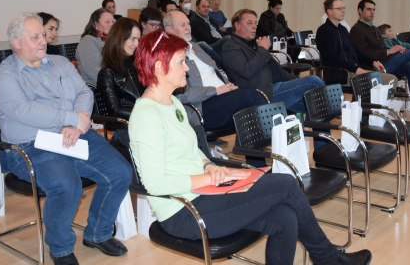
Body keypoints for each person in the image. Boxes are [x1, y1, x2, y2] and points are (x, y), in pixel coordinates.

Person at [129, 29, 372, 265]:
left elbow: (192, 152)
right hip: (184, 211)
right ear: (160, 68)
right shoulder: (146, 115)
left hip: (204, 194)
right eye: (182, 62)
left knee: (284, 218)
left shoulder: (172, 103)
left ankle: (328, 259)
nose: (186, 68)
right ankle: (328, 259)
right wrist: (206, 179)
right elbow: (155, 183)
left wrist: (208, 166)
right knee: (286, 184)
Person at [0, 13, 132, 265]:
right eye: (35, 37)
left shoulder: (60, 62)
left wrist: (78, 121)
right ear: (16, 42)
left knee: (120, 171)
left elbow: (83, 92)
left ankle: (97, 233)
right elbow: (24, 111)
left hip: (75, 135)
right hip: (32, 146)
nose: (43, 40)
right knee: (67, 186)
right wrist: (71, 118)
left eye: (43, 35)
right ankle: (61, 247)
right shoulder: (3, 76)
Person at [164, 10, 266, 130]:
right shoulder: (169, 57)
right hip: (201, 107)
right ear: (169, 30)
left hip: (223, 97)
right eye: (183, 25)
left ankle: (259, 143)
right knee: (250, 96)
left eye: (188, 23)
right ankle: (275, 139)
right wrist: (215, 91)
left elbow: (217, 73)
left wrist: (229, 86)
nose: (188, 28)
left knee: (255, 96)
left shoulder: (197, 47)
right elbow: (179, 96)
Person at [221, 9, 324, 113]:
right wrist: (262, 49)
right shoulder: (230, 47)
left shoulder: (254, 44)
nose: (254, 26)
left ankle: (323, 124)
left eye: (255, 23)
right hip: (261, 93)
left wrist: (295, 81)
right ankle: (336, 107)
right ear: (237, 25)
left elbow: (277, 70)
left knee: (316, 106)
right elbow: (247, 71)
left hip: (276, 88)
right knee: (314, 81)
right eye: (249, 23)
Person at [350, 0, 410, 120]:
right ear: (360, 11)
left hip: (385, 63)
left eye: (374, 10)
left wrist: (394, 51)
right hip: (371, 67)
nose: (372, 12)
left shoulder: (374, 28)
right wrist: (389, 51)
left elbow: (382, 48)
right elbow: (363, 53)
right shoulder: (356, 30)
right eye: (368, 9)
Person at [316, 0, 376, 85]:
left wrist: (372, 61)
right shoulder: (323, 31)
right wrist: (356, 69)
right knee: (378, 80)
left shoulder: (343, 29)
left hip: (352, 70)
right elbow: (332, 59)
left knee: (384, 78)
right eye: (339, 8)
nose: (343, 11)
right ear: (329, 11)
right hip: (337, 73)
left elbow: (355, 51)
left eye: (344, 8)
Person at [96, 18, 143, 119]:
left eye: (138, 39)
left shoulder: (138, 64)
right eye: (133, 39)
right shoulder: (107, 73)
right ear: (120, 39)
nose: (137, 44)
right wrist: (145, 114)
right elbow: (115, 111)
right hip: (128, 126)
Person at [74, 8, 116, 85]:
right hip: (96, 89)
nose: (112, 24)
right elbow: (94, 72)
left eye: (113, 21)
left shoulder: (112, 41)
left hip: (110, 85)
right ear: (95, 25)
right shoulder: (88, 41)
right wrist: (116, 84)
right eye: (107, 22)